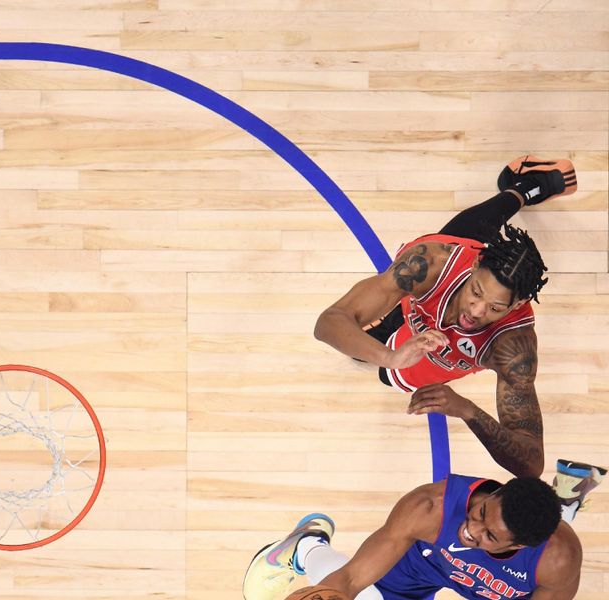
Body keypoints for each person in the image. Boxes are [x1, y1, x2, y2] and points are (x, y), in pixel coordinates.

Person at [313, 156, 603, 519]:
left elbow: (531, 462)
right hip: (417, 306)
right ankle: (521, 189)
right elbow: (327, 323)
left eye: (496, 307)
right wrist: (391, 356)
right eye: (477, 292)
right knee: (467, 231)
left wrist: (466, 410)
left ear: (519, 304)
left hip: (435, 360)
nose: (478, 312)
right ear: (475, 265)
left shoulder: (512, 346)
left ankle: (523, 189)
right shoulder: (431, 263)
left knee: (386, 373)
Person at [243, 474, 582, 600]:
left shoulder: (557, 561)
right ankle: (307, 547)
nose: (470, 531)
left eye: (490, 535)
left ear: (519, 546)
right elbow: (351, 577)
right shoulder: (429, 508)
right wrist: (330, 595)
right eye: (481, 513)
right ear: (496, 494)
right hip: (425, 565)